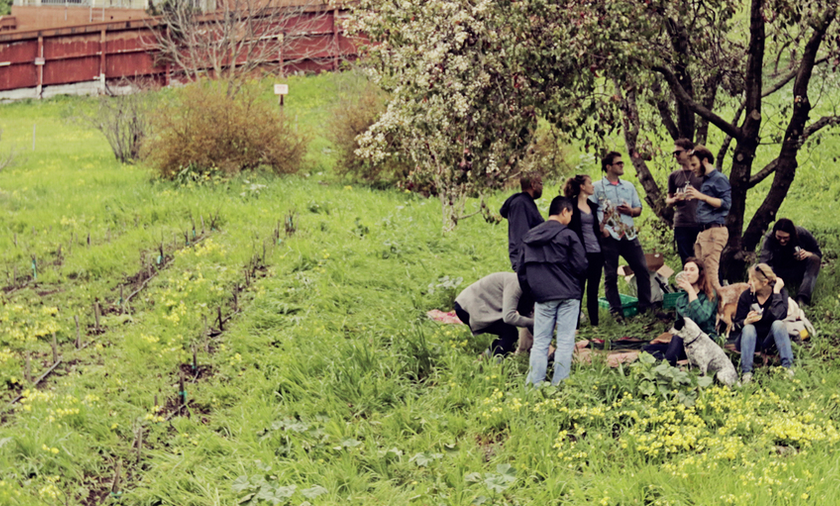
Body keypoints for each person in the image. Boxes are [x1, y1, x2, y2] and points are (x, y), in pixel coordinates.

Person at [518, 196, 587, 385]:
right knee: (565, 342)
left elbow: (522, 272)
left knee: (540, 342)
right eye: (570, 214)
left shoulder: (529, 237)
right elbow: (581, 266)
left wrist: (533, 294)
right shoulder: (569, 235)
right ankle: (560, 384)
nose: (570, 219)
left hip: (542, 297)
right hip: (568, 296)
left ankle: (534, 385)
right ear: (564, 211)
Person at [590, 151, 651, 322]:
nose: (622, 165)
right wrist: (601, 229)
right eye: (618, 163)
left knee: (642, 269)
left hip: (628, 234)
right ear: (608, 167)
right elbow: (590, 212)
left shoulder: (628, 186)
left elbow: (638, 209)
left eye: (622, 163)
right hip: (609, 236)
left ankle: (646, 307)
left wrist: (630, 211)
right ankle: (616, 311)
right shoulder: (597, 187)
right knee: (610, 275)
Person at [643, 257, 718, 365]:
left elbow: (702, 318)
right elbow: (679, 326)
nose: (687, 273)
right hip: (685, 344)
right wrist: (667, 339)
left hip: (704, 342)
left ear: (700, 273)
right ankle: (671, 362)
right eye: (685, 269)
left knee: (678, 338)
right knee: (646, 349)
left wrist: (691, 291)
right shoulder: (681, 300)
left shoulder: (710, 295)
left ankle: (668, 364)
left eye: (692, 270)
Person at [732, 263, 794, 384]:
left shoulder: (780, 293)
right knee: (749, 328)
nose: (749, 283)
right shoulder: (746, 296)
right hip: (749, 340)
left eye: (753, 280)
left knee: (778, 324)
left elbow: (779, 315)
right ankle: (746, 373)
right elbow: (736, 325)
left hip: (770, 340)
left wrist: (776, 292)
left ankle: (788, 368)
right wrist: (745, 321)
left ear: (765, 282)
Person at [453, 272, 534, 357]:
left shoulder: (525, 287)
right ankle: (496, 363)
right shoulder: (516, 283)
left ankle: (485, 359)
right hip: (467, 306)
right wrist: (535, 323)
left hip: (477, 305)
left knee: (508, 333)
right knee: (510, 333)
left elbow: (526, 315)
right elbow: (509, 317)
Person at [685, 145, 731, 291]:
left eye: (694, 164)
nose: (692, 168)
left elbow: (726, 204)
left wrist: (701, 196)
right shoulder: (706, 180)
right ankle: (705, 303)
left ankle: (721, 303)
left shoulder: (719, 179)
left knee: (711, 277)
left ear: (705, 161)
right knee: (702, 277)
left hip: (714, 231)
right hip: (703, 232)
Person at [564, 174, 606, 327]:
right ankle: (574, 324)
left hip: (596, 252)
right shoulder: (570, 206)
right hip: (580, 254)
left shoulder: (592, 206)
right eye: (589, 183)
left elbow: (595, 229)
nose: (592, 186)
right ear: (582, 187)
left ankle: (595, 324)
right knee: (578, 289)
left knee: (593, 290)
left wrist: (604, 222)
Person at [759, 218, 822, 306]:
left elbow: (818, 253)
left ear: (792, 235)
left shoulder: (803, 234)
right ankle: (774, 295)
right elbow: (764, 263)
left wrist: (808, 254)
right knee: (761, 269)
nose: (782, 240)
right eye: (779, 237)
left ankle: (802, 298)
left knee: (814, 259)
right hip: (778, 272)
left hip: (798, 269)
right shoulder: (769, 238)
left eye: (786, 238)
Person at [665, 138, 703, 265]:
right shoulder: (674, 176)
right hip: (681, 223)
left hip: (700, 222)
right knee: (686, 261)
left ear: (689, 151)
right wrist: (674, 199)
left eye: (678, 152)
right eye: (674, 153)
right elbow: (668, 199)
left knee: (703, 259)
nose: (675, 156)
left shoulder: (700, 174)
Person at [500, 173, 544, 272]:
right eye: (541, 183)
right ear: (533, 184)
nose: (542, 187)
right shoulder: (520, 204)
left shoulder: (527, 203)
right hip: (526, 263)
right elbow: (521, 236)